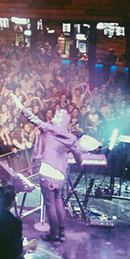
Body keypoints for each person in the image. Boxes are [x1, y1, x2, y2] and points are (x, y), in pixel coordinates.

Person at [11, 94, 82, 243]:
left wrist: (20, 106)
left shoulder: (49, 129)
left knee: (50, 205)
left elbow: (33, 118)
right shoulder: (71, 138)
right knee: (58, 202)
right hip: (60, 175)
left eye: (57, 115)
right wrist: (79, 163)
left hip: (47, 172)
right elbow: (78, 155)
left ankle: (54, 235)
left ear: (60, 120)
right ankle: (62, 233)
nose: (54, 116)